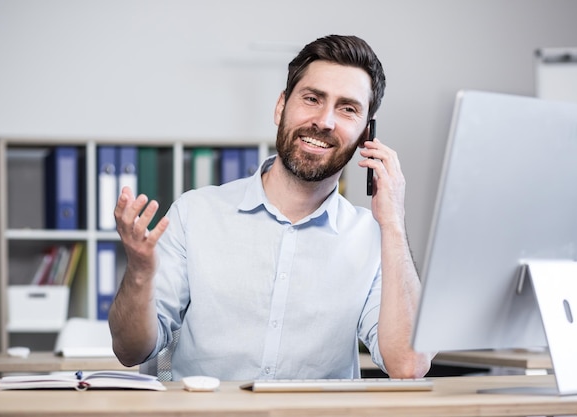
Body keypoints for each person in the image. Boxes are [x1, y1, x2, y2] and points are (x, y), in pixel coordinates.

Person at [109, 34, 433, 381]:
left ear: (366, 134)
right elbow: (130, 351)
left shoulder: (372, 236)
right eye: (312, 98)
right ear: (281, 107)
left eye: (348, 108)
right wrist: (140, 273)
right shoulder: (195, 213)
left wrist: (394, 223)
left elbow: (408, 366)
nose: (324, 121)